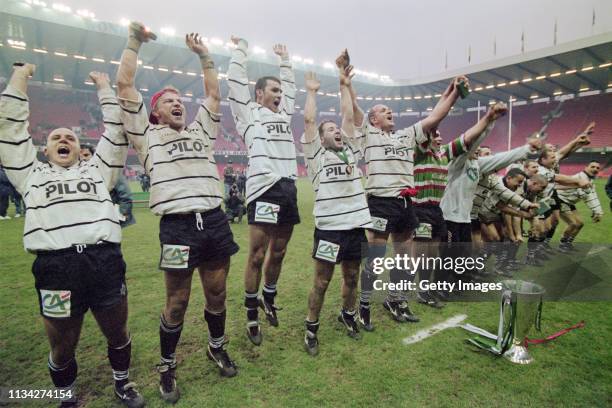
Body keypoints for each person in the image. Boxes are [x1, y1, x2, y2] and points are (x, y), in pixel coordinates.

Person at [0, 65, 143, 407]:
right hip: (55, 268)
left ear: (81, 150)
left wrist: (105, 88)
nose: (63, 139)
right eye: (55, 138)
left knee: (117, 331)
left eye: (71, 138)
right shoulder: (29, 174)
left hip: (104, 262)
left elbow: (116, 132)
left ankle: (122, 384)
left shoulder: (98, 170)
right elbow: (9, 127)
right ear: (44, 150)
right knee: (63, 344)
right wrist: (21, 77)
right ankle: (66, 396)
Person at [116, 23, 239, 403]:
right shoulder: (147, 137)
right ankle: (166, 366)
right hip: (177, 226)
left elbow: (214, 96)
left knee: (217, 293)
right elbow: (124, 88)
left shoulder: (202, 131)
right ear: (153, 112)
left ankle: (216, 346)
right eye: (167, 100)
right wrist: (135, 41)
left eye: (178, 99)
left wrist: (205, 57)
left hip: (214, 220)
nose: (176, 102)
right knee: (178, 302)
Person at [338, 48, 465, 329]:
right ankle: (365, 304)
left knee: (405, 257)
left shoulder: (407, 136)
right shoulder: (368, 133)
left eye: (389, 110)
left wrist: (454, 93)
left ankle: (396, 299)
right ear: (373, 120)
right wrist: (345, 83)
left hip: (407, 202)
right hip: (381, 201)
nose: (389, 112)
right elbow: (351, 110)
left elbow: (435, 118)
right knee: (375, 257)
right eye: (383, 111)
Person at [228, 35, 298, 345]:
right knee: (256, 255)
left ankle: (269, 297)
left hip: (289, 189)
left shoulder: (284, 115)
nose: (280, 94)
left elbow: (293, 90)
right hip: (264, 189)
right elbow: (234, 83)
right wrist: (241, 50)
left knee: (279, 252)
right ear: (259, 94)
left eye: (281, 91)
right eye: (274, 90)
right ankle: (251, 312)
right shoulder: (248, 115)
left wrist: (285, 62)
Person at [301, 65, 371, 355]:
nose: (337, 131)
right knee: (322, 280)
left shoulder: (352, 152)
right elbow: (308, 119)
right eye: (330, 129)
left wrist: (344, 84)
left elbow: (347, 117)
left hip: (355, 227)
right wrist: (312, 93)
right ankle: (311, 327)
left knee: (352, 276)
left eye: (337, 129)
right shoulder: (316, 156)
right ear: (321, 137)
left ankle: (347, 314)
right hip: (329, 229)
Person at [80, 144, 135, 228]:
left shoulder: (109, 170)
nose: (83, 158)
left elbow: (125, 194)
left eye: (86, 155)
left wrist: (124, 213)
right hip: (90, 218)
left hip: (109, 216)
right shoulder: (78, 174)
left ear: (94, 156)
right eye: (79, 156)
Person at [556, 161, 604, 252]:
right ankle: (562, 245)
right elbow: (587, 197)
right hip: (560, 200)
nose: (595, 169)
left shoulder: (590, 180)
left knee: (580, 224)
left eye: (597, 168)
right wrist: (596, 212)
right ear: (586, 167)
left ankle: (568, 244)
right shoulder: (580, 177)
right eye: (592, 166)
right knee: (573, 223)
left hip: (569, 202)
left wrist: (598, 211)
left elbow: (593, 195)